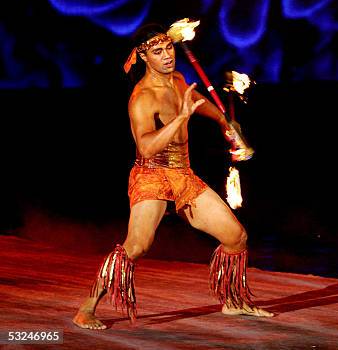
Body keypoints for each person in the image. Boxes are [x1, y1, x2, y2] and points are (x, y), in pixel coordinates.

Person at [73, 23, 273, 330]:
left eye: (169, 48)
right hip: (151, 175)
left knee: (236, 237)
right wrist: (180, 118)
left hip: (182, 174)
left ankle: (233, 302)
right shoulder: (142, 97)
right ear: (142, 56)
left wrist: (223, 121)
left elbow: (195, 102)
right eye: (158, 51)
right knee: (136, 246)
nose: (167, 56)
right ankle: (87, 308)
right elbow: (146, 145)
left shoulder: (177, 79)